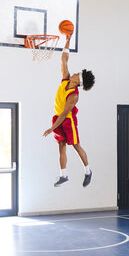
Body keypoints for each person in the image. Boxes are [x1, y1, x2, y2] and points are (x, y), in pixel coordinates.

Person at [43, 32, 95, 187]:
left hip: (68, 120)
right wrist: (68, 40)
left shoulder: (74, 96)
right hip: (57, 117)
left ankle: (87, 171)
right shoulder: (65, 78)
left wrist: (52, 128)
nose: (76, 72)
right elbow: (64, 59)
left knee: (75, 145)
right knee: (61, 146)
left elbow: (65, 114)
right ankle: (63, 175)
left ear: (79, 81)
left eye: (78, 74)